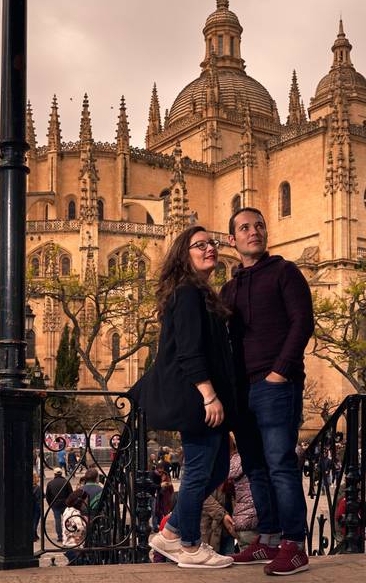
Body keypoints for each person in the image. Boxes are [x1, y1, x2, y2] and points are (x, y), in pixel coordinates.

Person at [130, 225, 239, 569]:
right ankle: (189, 544)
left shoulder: (202, 293)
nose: (210, 249)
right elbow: (189, 352)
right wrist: (209, 395)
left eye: (212, 243)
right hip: (196, 397)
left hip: (208, 396)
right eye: (200, 245)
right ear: (183, 254)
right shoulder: (188, 292)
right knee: (198, 469)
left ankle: (174, 532)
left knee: (218, 465)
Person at [221, 207, 314, 575]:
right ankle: (269, 539)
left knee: (280, 464)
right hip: (242, 392)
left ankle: (294, 545)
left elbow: (302, 323)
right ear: (233, 239)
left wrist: (280, 372)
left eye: (259, 225)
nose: (253, 231)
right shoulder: (229, 288)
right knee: (255, 467)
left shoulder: (284, 272)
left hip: (275, 386)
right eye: (244, 227)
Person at [62, 489, 90, 565]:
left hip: (68, 545)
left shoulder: (68, 509)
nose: (86, 503)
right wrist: (86, 522)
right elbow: (80, 528)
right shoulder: (75, 513)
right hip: (74, 546)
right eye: (86, 500)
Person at [45, 467, 73, 542]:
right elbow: (71, 493)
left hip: (55, 505)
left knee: (57, 521)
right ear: (61, 473)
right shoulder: (66, 482)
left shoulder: (50, 483)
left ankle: (60, 537)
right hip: (65, 504)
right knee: (67, 520)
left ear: (54, 474)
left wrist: (51, 504)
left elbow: (48, 496)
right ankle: (67, 534)